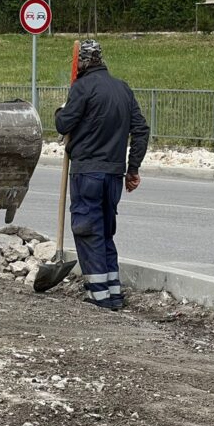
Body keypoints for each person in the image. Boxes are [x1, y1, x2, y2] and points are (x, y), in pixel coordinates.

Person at [54, 40, 149, 310]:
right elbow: (141, 130)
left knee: (88, 232)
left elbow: (63, 124)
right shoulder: (122, 89)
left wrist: (62, 109)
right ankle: (113, 293)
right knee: (105, 233)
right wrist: (133, 169)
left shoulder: (82, 88)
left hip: (87, 174)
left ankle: (99, 296)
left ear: (82, 62)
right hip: (113, 176)